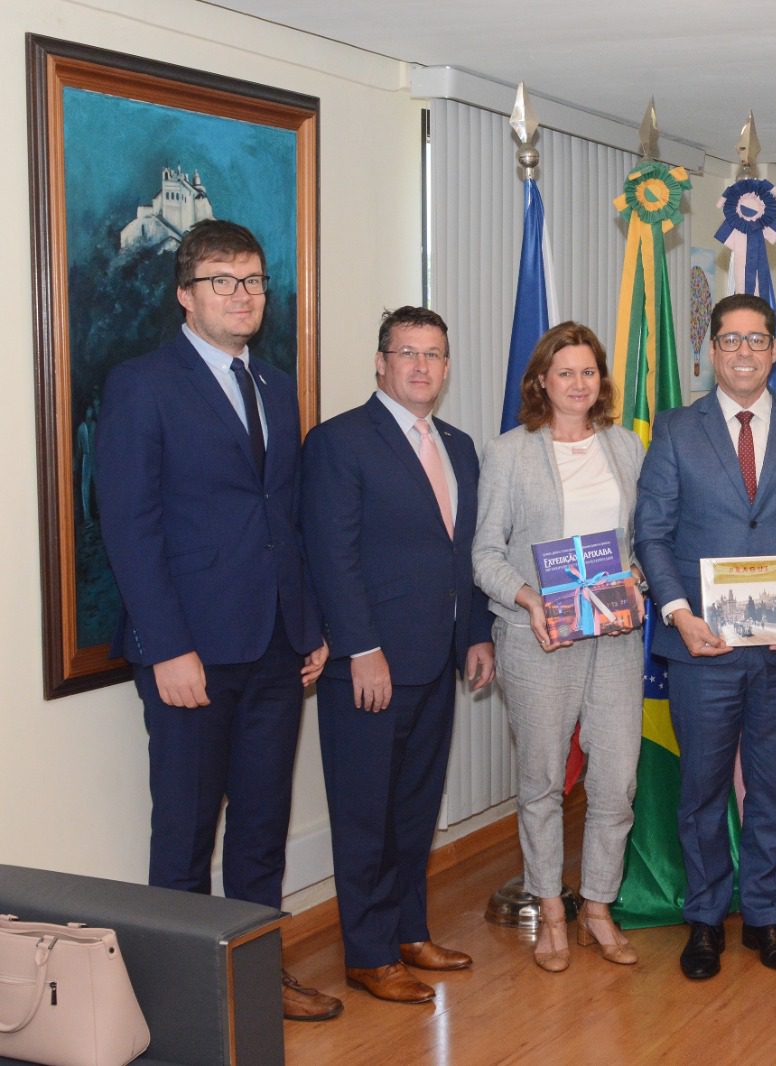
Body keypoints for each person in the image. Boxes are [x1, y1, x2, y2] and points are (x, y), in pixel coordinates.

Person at [95, 219, 339, 1022]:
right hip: (190, 653)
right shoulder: (143, 384)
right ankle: (182, 1007)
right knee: (186, 836)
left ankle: (257, 982)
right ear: (185, 294)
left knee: (263, 829)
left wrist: (307, 628)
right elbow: (131, 529)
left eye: (255, 281)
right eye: (224, 282)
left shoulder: (273, 385)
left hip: (275, 646)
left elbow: (287, 518)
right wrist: (168, 648)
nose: (244, 296)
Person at [633, 293, 776, 980]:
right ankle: (703, 921)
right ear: (712, 351)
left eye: (757, 340)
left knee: (770, 787)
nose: (745, 352)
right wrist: (678, 613)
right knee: (699, 790)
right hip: (703, 649)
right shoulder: (674, 430)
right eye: (730, 340)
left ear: (774, 350)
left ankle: (763, 918)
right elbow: (653, 533)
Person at [300, 306, 494, 1004]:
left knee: (414, 807)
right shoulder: (340, 442)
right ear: (380, 363)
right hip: (370, 667)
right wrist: (361, 649)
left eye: (434, 354)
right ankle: (369, 951)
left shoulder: (460, 446)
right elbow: (333, 557)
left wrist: (475, 633)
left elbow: (464, 554)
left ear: (446, 367)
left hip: (437, 660)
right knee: (365, 812)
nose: (421, 365)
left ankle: (411, 930)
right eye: (406, 352)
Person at [472, 321, 646, 973]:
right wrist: (530, 600)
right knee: (543, 780)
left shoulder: (626, 448)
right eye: (565, 371)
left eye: (589, 371)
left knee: (616, 781)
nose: (579, 383)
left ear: (601, 381)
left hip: (614, 638)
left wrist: (638, 582)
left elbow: (641, 543)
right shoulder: (510, 452)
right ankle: (551, 911)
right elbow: (485, 554)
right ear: (541, 380)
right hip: (538, 638)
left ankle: (597, 906)